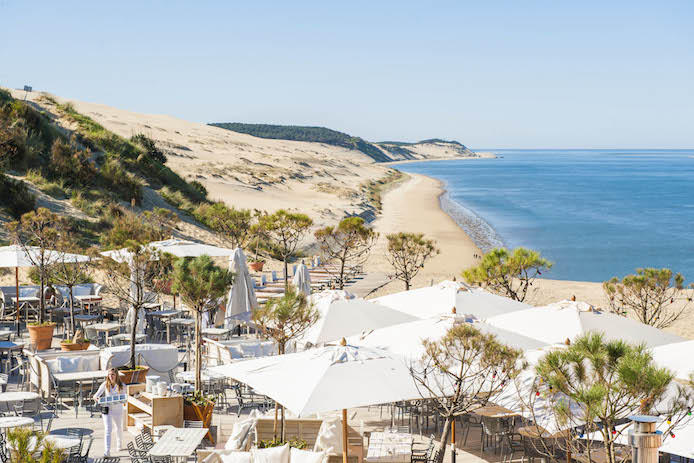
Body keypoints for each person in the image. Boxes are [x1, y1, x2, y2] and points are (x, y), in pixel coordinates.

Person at [93, 368, 125, 456]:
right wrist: (97, 398)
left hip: (118, 410)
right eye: (110, 374)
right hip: (107, 410)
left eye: (113, 374)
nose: (111, 376)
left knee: (118, 428)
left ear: (116, 375)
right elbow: (95, 395)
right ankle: (106, 451)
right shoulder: (105, 384)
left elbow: (124, 398)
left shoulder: (122, 385)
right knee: (108, 430)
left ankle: (119, 444)